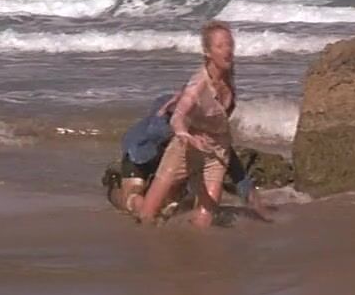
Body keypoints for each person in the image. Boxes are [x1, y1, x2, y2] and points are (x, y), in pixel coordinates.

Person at [137, 20, 239, 228]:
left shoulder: (228, 73)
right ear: (208, 52)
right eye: (220, 46)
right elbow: (179, 115)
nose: (227, 50)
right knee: (147, 214)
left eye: (229, 44)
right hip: (185, 148)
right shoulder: (198, 84)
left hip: (217, 151)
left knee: (205, 219)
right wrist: (184, 134)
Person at [104, 93, 267, 220]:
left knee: (170, 199)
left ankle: (154, 206)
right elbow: (155, 128)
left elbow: (238, 174)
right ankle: (124, 196)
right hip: (142, 152)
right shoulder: (161, 127)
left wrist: (257, 206)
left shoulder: (209, 134)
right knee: (133, 197)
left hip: (160, 152)